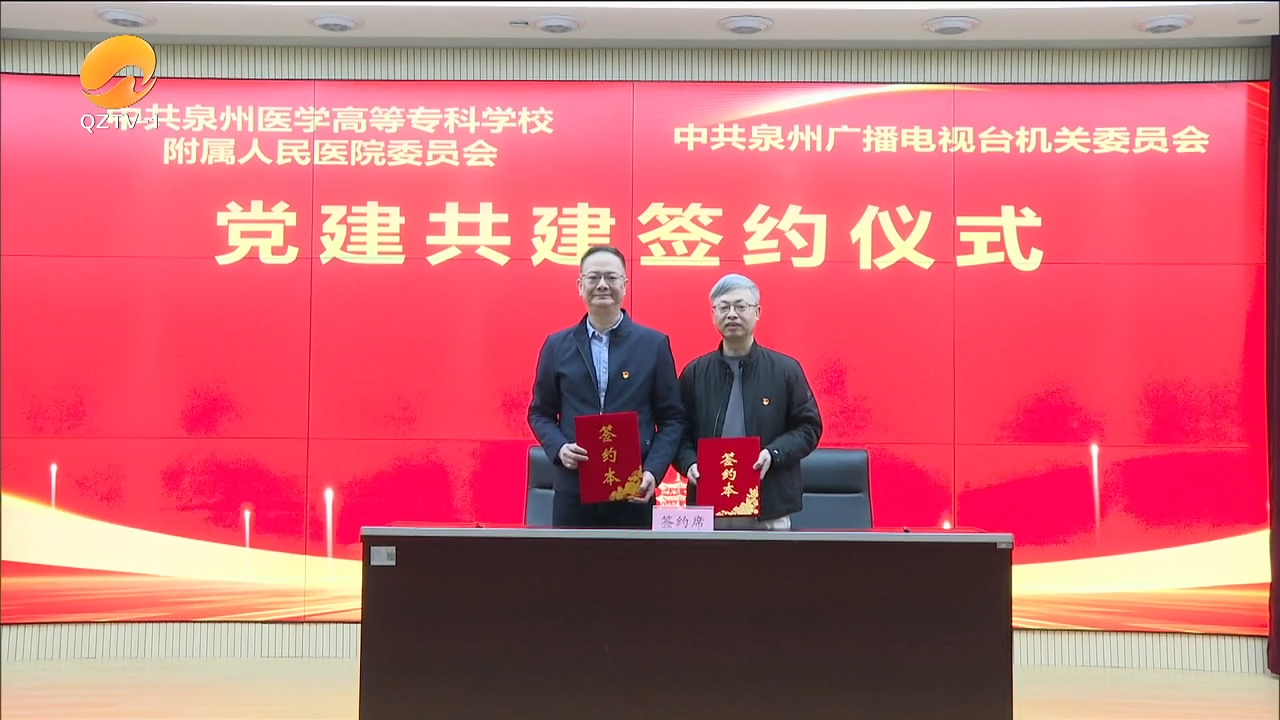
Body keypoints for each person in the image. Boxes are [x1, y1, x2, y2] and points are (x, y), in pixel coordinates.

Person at [527, 246, 685, 528]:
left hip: (634, 489)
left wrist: (653, 471)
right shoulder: (557, 345)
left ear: (625, 284)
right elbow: (540, 413)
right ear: (580, 285)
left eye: (611, 277)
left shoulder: (653, 345)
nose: (602, 285)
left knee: (631, 558)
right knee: (571, 558)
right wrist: (560, 448)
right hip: (574, 489)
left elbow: (672, 419)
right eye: (594, 277)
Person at [673, 273, 823, 530]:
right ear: (713, 315)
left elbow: (809, 427)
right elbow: (677, 432)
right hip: (709, 504)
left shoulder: (785, 370)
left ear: (757, 312)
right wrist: (689, 463)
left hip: (768, 504)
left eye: (740, 306)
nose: (732, 314)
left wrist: (773, 453)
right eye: (724, 307)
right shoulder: (695, 373)